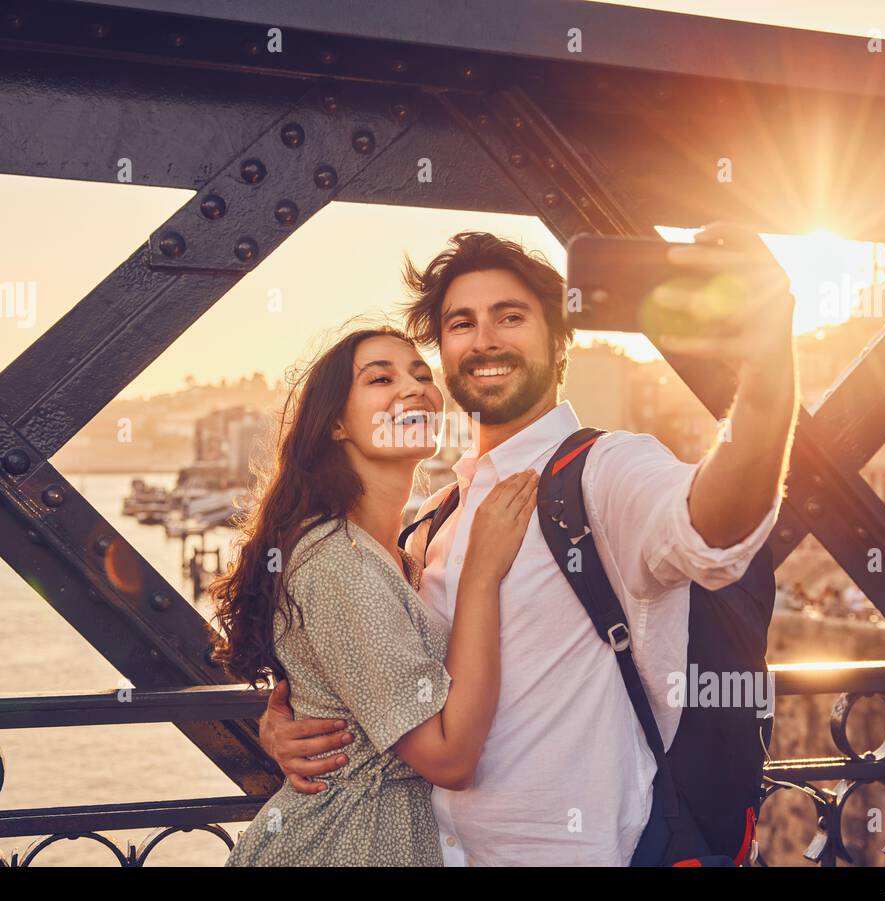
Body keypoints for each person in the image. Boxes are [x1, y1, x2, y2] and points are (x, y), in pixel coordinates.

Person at [258, 226, 798, 865]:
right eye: (461, 324)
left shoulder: (605, 472)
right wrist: (284, 725)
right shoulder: (431, 521)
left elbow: (715, 523)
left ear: (558, 341)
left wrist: (768, 367)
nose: (484, 339)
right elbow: (385, 673)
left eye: (510, 317)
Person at [210, 325, 537, 865]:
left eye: (422, 375)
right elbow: (450, 759)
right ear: (336, 422)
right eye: (380, 378)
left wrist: (277, 724)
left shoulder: (400, 553)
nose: (414, 389)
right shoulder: (337, 558)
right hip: (340, 844)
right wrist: (482, 573)